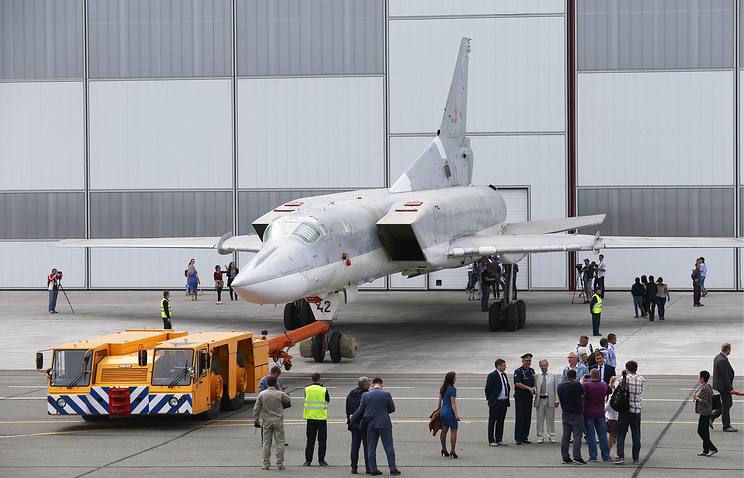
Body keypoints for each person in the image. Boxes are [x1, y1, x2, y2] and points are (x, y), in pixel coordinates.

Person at [350, 377, 400, 476]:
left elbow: (361, 409)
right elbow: (392, 408)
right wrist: (383, 412)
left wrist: (353, 417)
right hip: (383, 422)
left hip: (371, 422)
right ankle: (392, 468)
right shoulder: (386, 394)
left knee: (371, 447)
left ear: (372, 385)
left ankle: (373, 469)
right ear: (382, 384)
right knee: (388, 446)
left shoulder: (366, 395)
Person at [254, 375, 291, 470]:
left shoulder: (262, 394)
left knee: (266, 442)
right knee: (280, 442)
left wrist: (256, 420)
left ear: (267, 383)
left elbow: (256, 408)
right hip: (278, 420)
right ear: (276, 384)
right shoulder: (279, 394)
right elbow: (287, 399)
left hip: (267, 421)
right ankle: (280, 463)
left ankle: (266, 464)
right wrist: (280, 390)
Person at [615, 360, 644, 465]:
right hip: (636, 409)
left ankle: (621, 456)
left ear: (627, 369)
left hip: (625, 409)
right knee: (636, 434)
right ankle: (636, 457)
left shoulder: (625, 378)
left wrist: (620, 377)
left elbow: (615, 385)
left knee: (621, 433)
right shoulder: (641, 379)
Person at [557, 369, 586, 464]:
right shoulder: (576, 384)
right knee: (577, 435)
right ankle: (577, 456)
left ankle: (565, 456)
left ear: (566, 376)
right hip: (576, 413)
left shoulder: (560, 386)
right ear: (575, 377)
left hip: (565, 413)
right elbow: (583, 392)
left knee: (566, 435)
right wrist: (581, 382)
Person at [583, 368, 611, 462]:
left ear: (590, 376)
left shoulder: (586, 385)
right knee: (602, 435)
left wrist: (582, 381)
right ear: (599, 376)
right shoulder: (603, 385)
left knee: (590, 435)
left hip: (589, 412)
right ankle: (606, 455)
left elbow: (580, 391)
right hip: (600, 412)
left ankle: (593, 455)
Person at [303, 372, 330, 466]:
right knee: (322, 440)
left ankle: (308, 460)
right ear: (319, 380)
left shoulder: (307, 389)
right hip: (321, 418)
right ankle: (321, 460)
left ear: (311, 380)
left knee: (310, 440)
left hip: (310, 417)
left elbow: (306, 398)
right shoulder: (323, 390)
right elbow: (327, 400)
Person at [346, 376, 371, 474]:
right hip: (364, 424)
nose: (369, 385)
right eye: (369, 384)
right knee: (367, 447)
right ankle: (368, 467)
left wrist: (350, 422)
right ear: (365, 385)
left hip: (354, 424)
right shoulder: (366, 395)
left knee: (355, 447)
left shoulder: (350, 395)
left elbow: (347, 410)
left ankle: (354, 467)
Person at [712, 342, 738, 432]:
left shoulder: (718, 357)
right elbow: (724, 376)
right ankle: (726, 426)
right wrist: (730, 388)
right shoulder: (722, 360)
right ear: (728, 349)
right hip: (723, 386)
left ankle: (712, 417)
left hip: (720, 385)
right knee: (727, 404)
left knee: (726, 404)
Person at [485, 358, 510, 446]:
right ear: (498, 366)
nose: (505, 367)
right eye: (504, 365)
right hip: (496, 402)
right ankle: (491, 440)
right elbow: (488, 389)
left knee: (501, 421)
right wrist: (491, 399)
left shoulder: (504, 375)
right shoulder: (493, 375)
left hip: (503, 402)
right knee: (492, 421)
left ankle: (499, 438)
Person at [692, 370, 717, 456]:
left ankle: (712, 448)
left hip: (705, 413)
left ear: (702, 378)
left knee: (700, 431)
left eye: (699, 376)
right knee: (705, 431)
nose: (698, 378)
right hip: (705, 412)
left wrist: (697, 398)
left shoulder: (706, 388)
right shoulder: (706, 387)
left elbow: (706, 401)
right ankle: (706, 449)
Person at [533, 359, 558, 443]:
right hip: (540, 399)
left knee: (550, 418)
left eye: (545, 365)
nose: (543, 367)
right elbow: (535, 387)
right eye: (542, 365)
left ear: (548, 365)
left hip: (550, 399)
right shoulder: (537, 375)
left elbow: (556, 389)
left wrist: (557, 400)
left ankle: (552, 435)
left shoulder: (553, 375)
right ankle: (540, 436)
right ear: (539, 366)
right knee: (540, 419)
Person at [513, 353, 535, 444]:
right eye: (526, 361)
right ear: (523, 361)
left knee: (527, 417)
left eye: (529, 361)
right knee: (520, 417)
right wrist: (528, 388)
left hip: (528, 397)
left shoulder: (532, 371)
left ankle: (524, 436)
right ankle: (518, 438)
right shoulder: (518, 371)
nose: (528, 362)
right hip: (520, 397)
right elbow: (517, 383)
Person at [437, 371, 460, 458]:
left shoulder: (442, 388)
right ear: (452, 379)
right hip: (450, 411)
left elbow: (439, 401)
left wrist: (439, 409)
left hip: (443, 411)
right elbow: (453, 403)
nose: (455, 379)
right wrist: (456, 414)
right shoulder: (452, 389)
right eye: (455, 378)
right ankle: (452, 450)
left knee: (444, 430)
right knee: (453, 430)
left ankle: (444, 448)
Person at [606, 376, 620, 458]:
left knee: (611, 435)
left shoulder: (611, 396)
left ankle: (608, 451)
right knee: (619, 436)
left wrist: (604, 403)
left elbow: (607, 408)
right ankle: (617, 453)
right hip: (619, 418)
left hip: (612, 418)